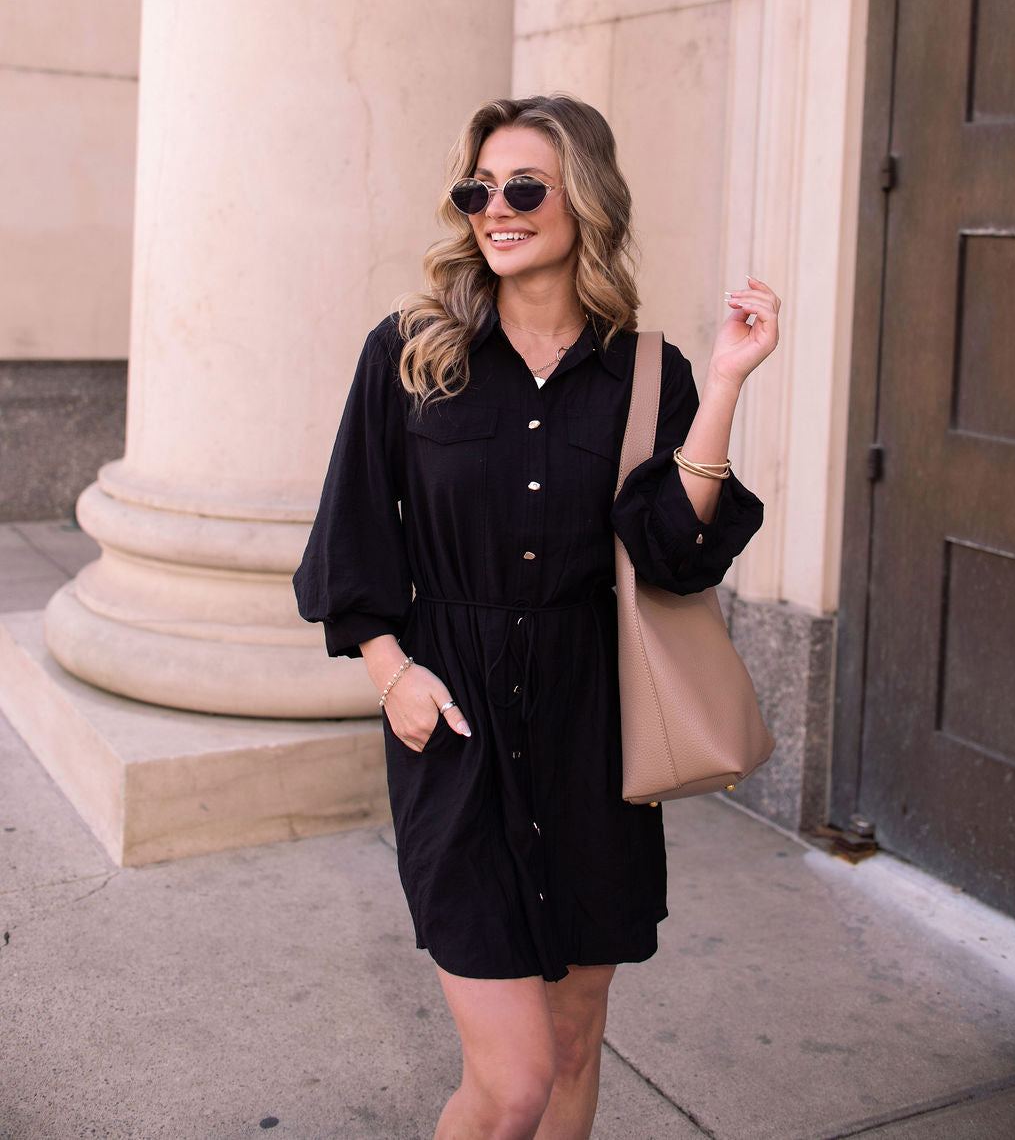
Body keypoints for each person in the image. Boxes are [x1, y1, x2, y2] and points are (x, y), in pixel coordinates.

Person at [293, 93, 780, 1139]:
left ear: (585, 203)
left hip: (591, 731)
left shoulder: (644, 373)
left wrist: (726, 384)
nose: (495, 209)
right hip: (454, 724)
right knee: (511, 1080)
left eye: (523, 187)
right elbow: (348, 539)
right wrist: (394, 673)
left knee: (571, 1040)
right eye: (478, 189)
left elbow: (673, 553)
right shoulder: (412, 353)